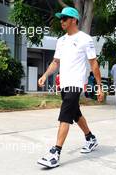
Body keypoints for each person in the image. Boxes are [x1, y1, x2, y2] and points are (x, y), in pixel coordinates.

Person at [37, 7, 104, 168]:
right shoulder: (61, 40)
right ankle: (90, 138)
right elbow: (55, 62)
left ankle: (55, 153)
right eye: (61, 18)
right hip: (64, 83)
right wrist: (45, 75)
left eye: (65, 18)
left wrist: (100, 87)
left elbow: (93, 63)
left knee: (65, 115)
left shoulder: (85, 39)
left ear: (74, 20)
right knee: (75, 114)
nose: (62, 21)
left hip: (76, 83)